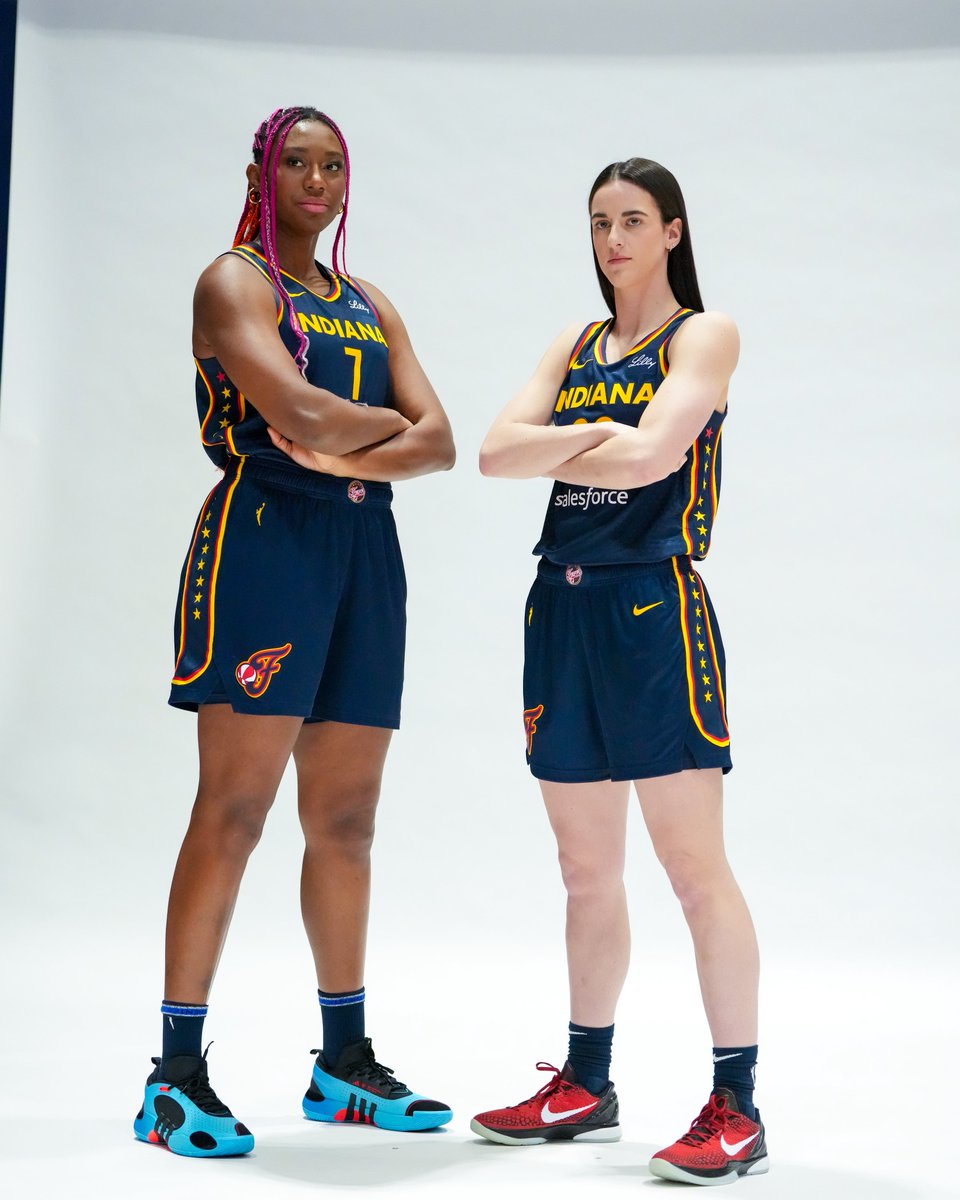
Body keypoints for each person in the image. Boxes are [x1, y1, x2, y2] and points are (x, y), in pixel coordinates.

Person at [133, 105, 456, 1158]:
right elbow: (299, 419)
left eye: (334, 165)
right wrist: (373, 435)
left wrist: (344, 443)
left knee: (350, 820)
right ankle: (174, 1079)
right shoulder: (234, 283)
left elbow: (443, 440)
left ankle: (341, 1064)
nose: (317, 179)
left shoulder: (368, 302)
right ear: (262, 173)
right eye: (297, 162)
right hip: (265, 544)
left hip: (367, 554)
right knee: (232, 810)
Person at [470, 158, 767, 1186]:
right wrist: (607, 437)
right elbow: (493, 455)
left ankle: (738, 1102)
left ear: (674, 232)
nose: (613, 240)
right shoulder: (575, 341)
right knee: (584, 870)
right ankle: (587, 1085)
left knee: (693, 870)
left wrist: (574, 445)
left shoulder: (705, 335)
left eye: (634, 221)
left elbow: (652, 461)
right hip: (562, 603)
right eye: (599, 222)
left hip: (653, 609)